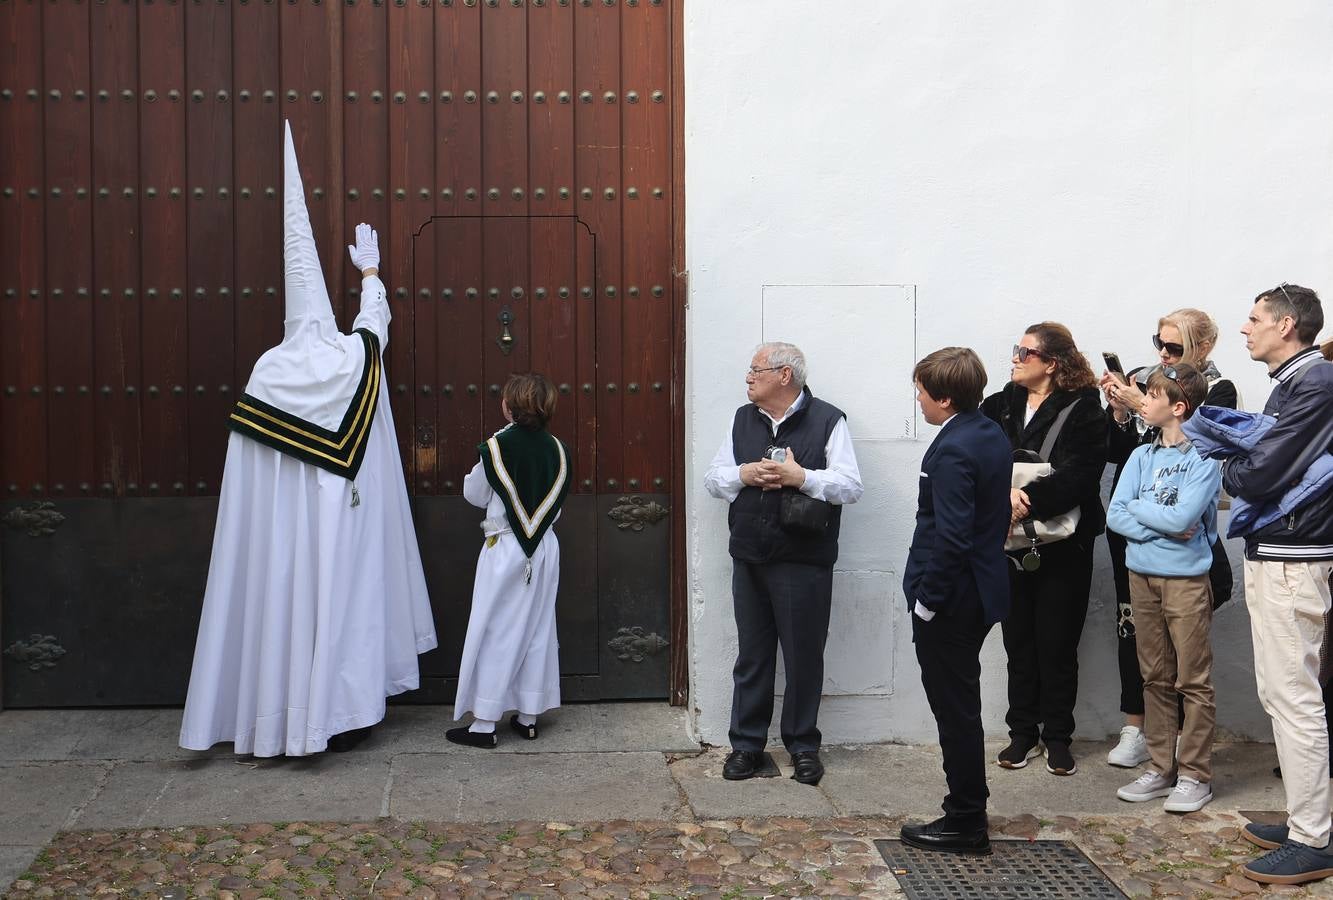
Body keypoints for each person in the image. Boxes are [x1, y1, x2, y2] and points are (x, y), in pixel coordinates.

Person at [180, 122, 437, 757]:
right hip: (344, 525)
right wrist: (371, 272)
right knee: (346, 608)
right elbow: (374, 325)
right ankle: (345, 715)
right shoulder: (351, 359)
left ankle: (283, 716)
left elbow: (250, 476)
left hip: (287, 533)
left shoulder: (269, 373)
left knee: (288, 609)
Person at [703, 342, 863, 786]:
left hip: (803, 559)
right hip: (750, 553)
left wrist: (802, 478)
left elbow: (850, 486)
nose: (748, 377)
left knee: (803, 655)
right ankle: (747, 747)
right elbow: (714, 478)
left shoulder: (829, 419)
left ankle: (803, 746)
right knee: (752, 655)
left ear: (784, 375)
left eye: (756, 370)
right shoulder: (742, 419)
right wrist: (743, 475)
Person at [1219, 285, 1333, 886]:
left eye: (1255, 318)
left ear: (1287, 325)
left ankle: (1314, 838)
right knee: (1284, 693)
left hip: (1295, 554)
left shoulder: (1312, 383)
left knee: (1294, 696)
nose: (1245, 327)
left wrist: (1230, 464)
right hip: (1285, 550)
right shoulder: (1295, 381)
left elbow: (1261, 470)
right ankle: (1305, 821)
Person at [1100, 309, 1237, 769]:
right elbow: (1120, 486)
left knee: (1188, 663)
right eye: (1158, 342)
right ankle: (1139, 730)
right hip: (1141, 546)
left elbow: (1187, 509)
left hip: (1184, 555)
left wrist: (1142, 402)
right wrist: (1122, 413)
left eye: (1173, 348)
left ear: (1202, 349)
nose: (1161, 353)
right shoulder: (1149, 391)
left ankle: (1187, 755)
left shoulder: (1216, 390)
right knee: (1136, 639)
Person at [898, 348, 1012, 856]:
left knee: (955, 711)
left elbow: (952, 536)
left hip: (953, 600)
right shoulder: (987, 431)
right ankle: (967, 809)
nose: (918, 398)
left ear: (944, 397)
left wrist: (928, 600)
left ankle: (965, 819)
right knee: (960, 707)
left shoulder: (954, 449)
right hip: (980, 591)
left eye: (922, 390)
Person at [981, 322, 1106, 776]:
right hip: (1009, 543)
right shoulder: (998, 405)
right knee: (1018, 641)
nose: (1014, 357)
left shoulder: (1085, 408)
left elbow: (1082, 472)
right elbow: (978, 459)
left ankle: (1057, 736)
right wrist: (1001, 496)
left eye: (1025, 352)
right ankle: (1021, 733)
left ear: (1051, 364)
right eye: (1016, 349)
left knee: (1057, 643)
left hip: (1063, 544)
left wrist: (1025, 501)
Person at [1107, 364, 1220, 813]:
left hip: (1186, 582)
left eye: (1151, 396)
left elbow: (1184, 520)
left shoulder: (1204, 459)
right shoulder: (1140, 456)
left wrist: (1146, 515)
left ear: (1178, 407)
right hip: (1142, 576)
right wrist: (1160, 525)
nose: (1143, 402)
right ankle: (1160, 766)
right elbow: (1116, 516)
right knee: (1153, 675)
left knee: (1193, 679)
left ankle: (1195, 775)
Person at [447, 373, 571, 748]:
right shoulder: (558, 448)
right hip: (545, 547)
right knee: (537, 628)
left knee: (497, 628)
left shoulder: (497, 446)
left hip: (504, 546)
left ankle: (485, 724)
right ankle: (529, 717)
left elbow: (474, 492)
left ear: (508, 406)